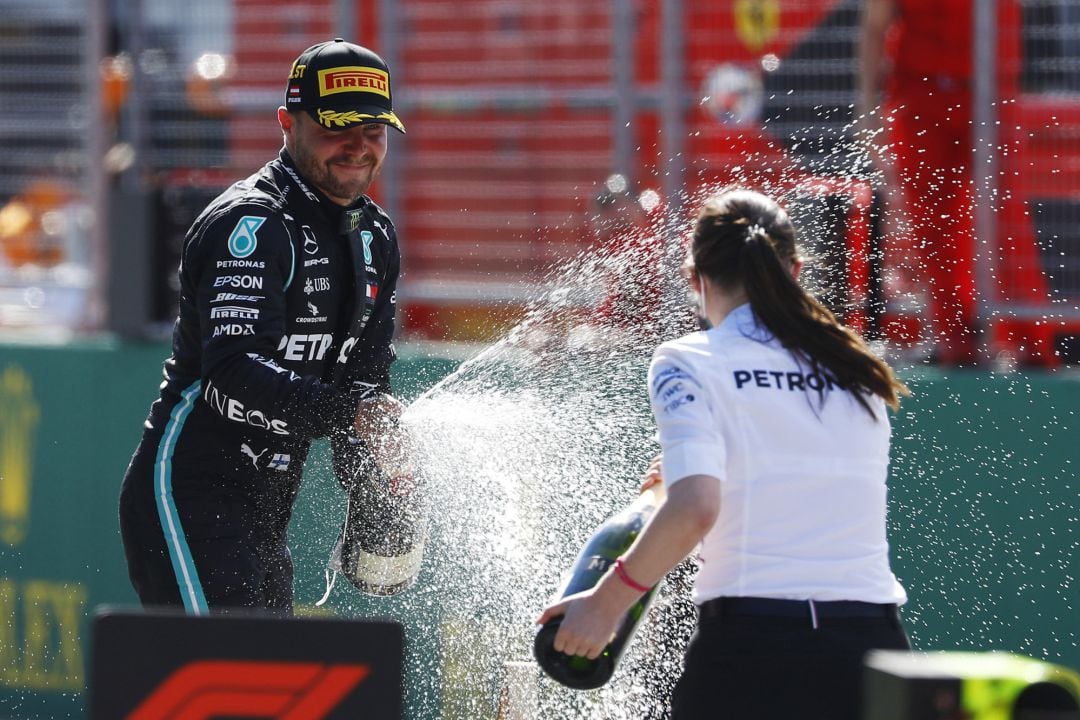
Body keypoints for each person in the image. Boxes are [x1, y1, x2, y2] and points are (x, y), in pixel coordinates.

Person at [538, 188, 912, 719]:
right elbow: (800, 486)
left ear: (695, 279)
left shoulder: (688, 361)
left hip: (752, 651)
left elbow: (695, 508)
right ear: (797, 269)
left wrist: (605, 604)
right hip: (872, 649)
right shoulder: (858, 367)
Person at [118, 39, 409, 614]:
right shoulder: (250, 222)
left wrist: (379, 489)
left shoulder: (375, 236)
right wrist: (353, 415)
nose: (358, 147)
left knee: (268, 691)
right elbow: (231, 372)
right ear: (287, 123)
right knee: (223, 686)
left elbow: (366, 387)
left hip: (266, 510)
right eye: (337, 128)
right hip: (189, 493)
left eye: (374, 130)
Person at [857, 0, 1057, 367]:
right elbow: (875, 24)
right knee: (932, 221)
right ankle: (956, 342)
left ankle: (1030, 343)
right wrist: (869, 110)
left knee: (1005, 216)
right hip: (919, 92)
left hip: (991, 90)